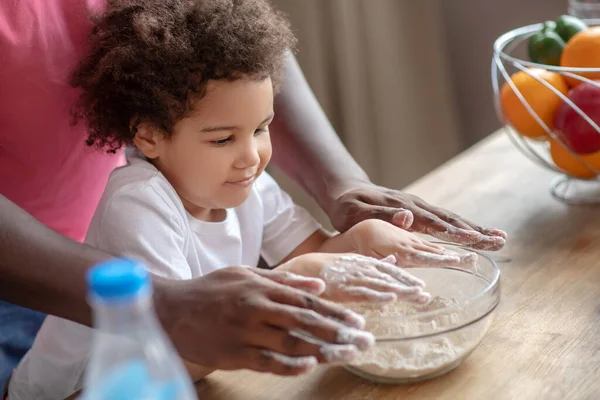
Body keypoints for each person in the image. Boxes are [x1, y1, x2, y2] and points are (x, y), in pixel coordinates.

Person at [0, 0, 507, 388]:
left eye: (261, 128)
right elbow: (182, 355)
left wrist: (366, 239)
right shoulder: (140, 205)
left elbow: (314, 253)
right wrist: (302, 278)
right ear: (150, 133)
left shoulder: (245, 183)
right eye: (223, 138)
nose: (252, 156)